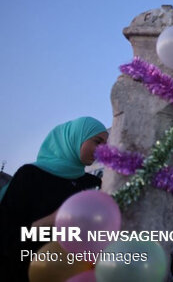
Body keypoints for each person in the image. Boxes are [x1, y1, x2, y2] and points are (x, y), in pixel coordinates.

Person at [0, 117, 108, 281]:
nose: (101, 151)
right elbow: (7, 237)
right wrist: (52, 220)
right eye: (97, 142)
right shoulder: (30, 175)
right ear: (75, 137)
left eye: (105, 146)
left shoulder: (93, 183)